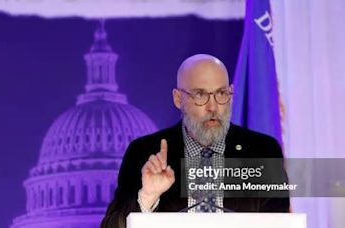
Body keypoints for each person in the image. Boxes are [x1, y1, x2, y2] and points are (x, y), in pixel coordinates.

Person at [101, 54, 290, 228]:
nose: (213, 107)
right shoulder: (144, 152)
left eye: (221, 93)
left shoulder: (263, 151)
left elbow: (280, 222)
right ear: (178, 98)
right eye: (200, 95)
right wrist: (148, 197)